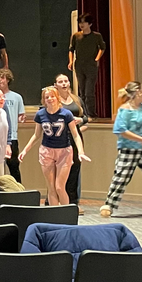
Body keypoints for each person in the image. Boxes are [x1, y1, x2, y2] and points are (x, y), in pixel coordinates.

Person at [19, 86, 90, 206]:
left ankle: (66, 214)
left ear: (57, 98)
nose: (50, 99)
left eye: (52, 96)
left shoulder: (66, 114)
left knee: (59, 187)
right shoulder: (40, 114)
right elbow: (36, 135)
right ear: (44, 100)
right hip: (47, 151)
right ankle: (54, 216)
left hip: (64, 151)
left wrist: (81, 152)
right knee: (51, 188)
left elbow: (75, 135)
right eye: (47, 97)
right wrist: (25, 150)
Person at [100, 82, 142, 218]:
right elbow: (121, 131)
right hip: (128, 149)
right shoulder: (124, 110)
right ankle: (109, 205)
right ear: (137, 93)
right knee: (122, 177)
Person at [54, 73, 89, 212]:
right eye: (60, 81)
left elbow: (87, 117)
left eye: (66, 81)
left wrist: (81, 120)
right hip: (59, 139)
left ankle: (73, 203)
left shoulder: (77, 99)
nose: (64, 84)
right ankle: (54, 201)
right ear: (56, 85)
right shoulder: (54, 99)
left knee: (74, 170)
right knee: (58, 170)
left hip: (75, 138)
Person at [68, 13, 106, 118]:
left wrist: (97, 58)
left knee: (89, 91)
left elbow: (102, 47)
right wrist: (71, 61)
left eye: (84, 22)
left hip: (91, 65)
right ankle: (83, 113)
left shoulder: (96, 36)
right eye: (80, 22)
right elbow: (71, 50)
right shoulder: (76, 36)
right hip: (79, 65)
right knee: (82, 90)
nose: (81, 24)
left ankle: (91, 114)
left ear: (89, 24)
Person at [0, 68, 24, 182]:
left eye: (2, 78)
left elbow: (21, 114)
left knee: (14, 166)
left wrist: (21, 118)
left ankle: (18, 191)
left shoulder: (17, 97)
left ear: (8, 80)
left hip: (12, 137)